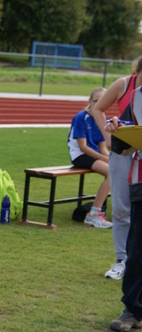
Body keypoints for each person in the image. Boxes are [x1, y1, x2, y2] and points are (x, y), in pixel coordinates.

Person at [92, 56, 142, 280]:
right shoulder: (124, 85)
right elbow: (97, 108)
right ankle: (122, 260)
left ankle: (135, 262)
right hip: (122, 154)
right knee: (122, 209)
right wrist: (107, 135)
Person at [106, 85, 142, 332]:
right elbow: (126, 143)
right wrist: (117, 130)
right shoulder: (137, 95)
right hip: (141, 181)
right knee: (137, 249)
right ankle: (133, 308)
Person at [67, 87, 112, 228]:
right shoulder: (81, 117)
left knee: (116, 168)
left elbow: (102, 148)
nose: (98, 104)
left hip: (94, 155)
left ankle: (102, 209)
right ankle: (94, 214)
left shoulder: (103, 119)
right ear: (89, 101)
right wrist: (105, 159)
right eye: (95, 101)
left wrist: (111, 158)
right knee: (112, 172)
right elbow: (83, 147)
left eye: (102, 101)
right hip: (80, 156)